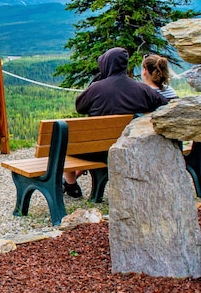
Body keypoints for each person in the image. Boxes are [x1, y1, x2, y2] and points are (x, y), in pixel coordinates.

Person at [62, 47, 169, 197]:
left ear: (106, 65)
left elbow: (80, 107)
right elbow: (165, 105)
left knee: (65, 146)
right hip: (130, 147)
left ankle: (71, 185)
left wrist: (97, 81)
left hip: (96, 151)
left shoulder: (97, 88)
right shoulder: (142, 89)